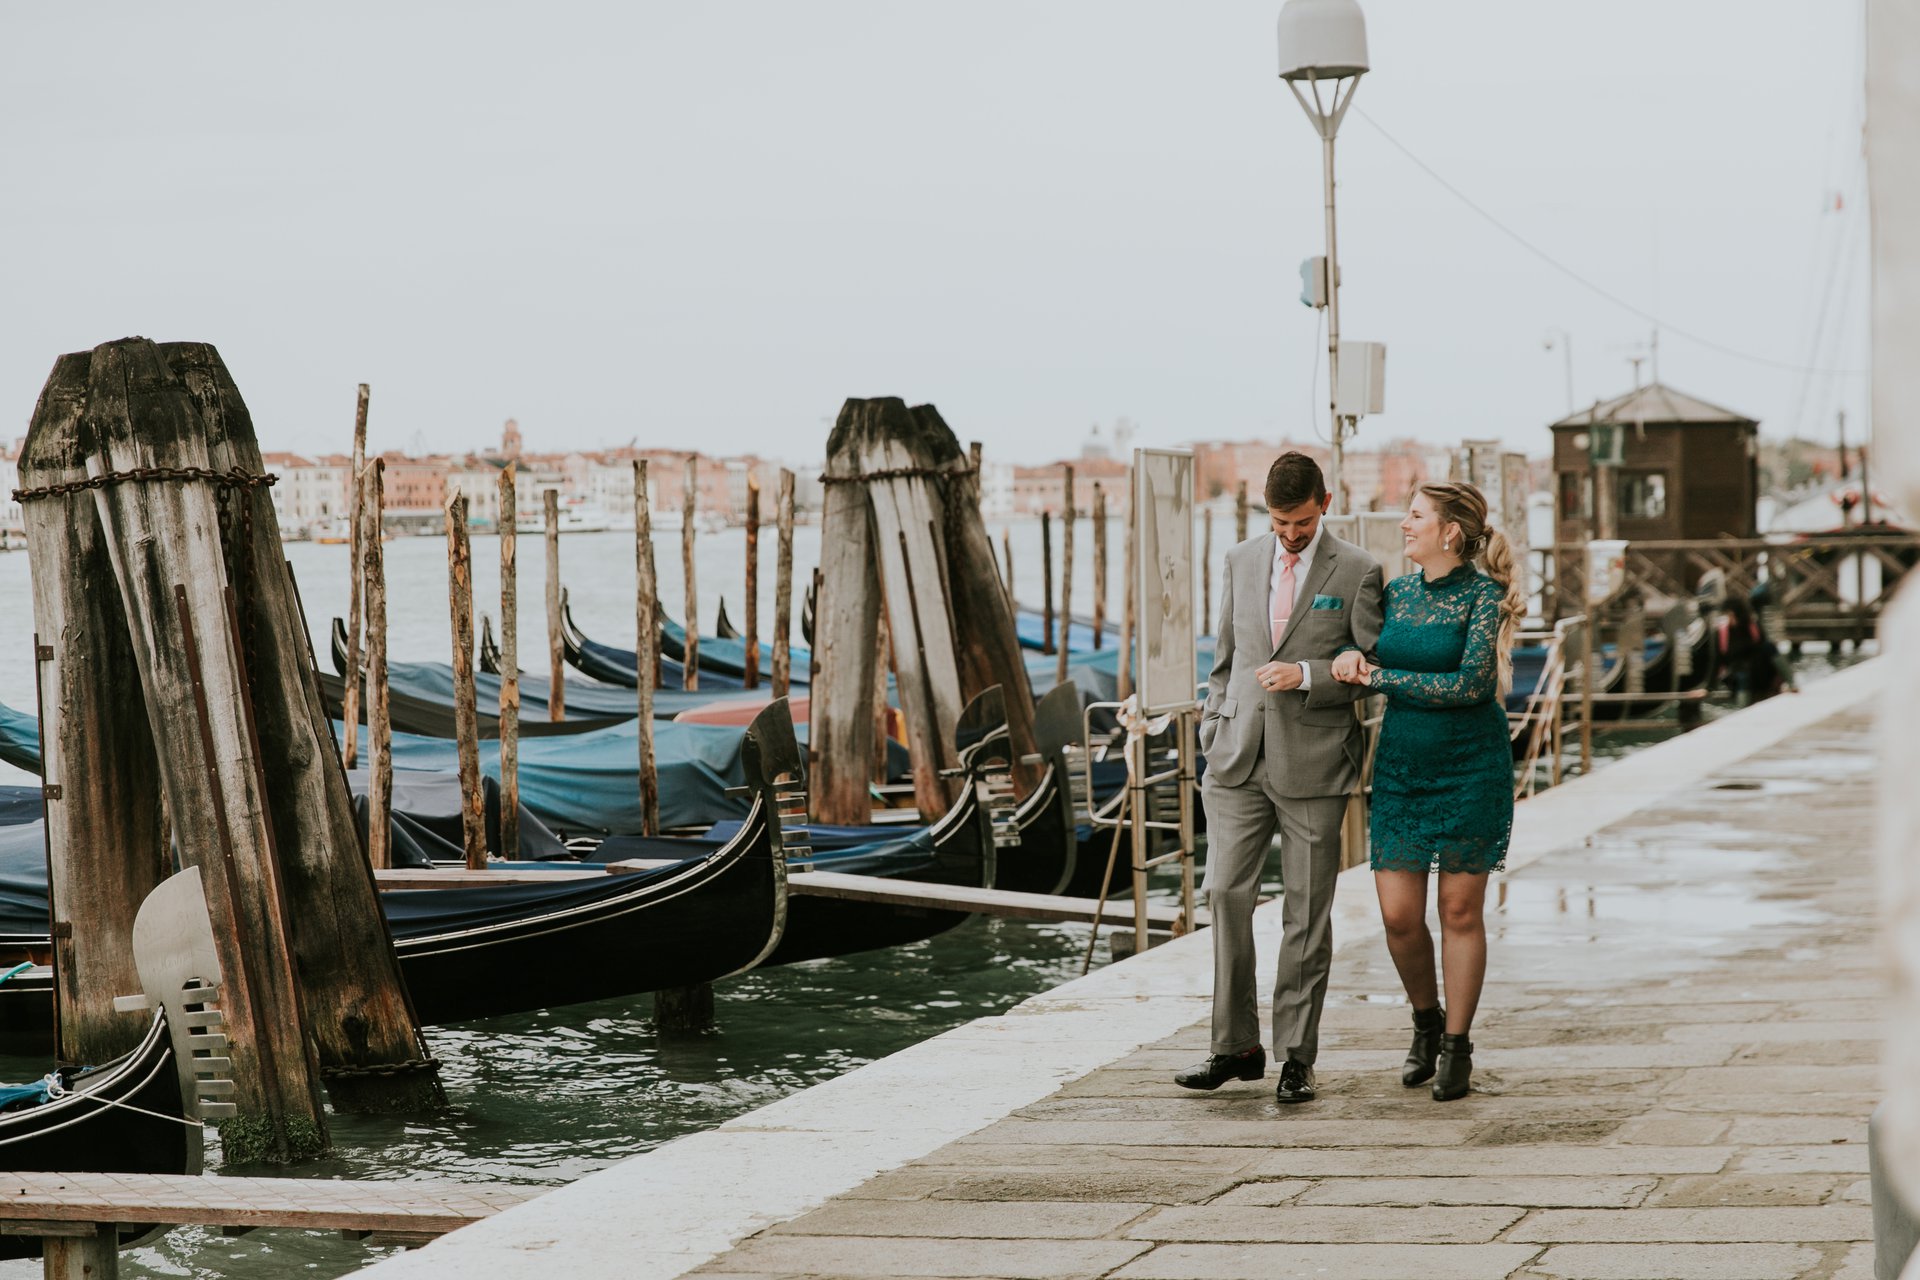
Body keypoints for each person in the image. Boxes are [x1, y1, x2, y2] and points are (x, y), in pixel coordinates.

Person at [1175, 453, 1384, 1103]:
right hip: (1236, 756)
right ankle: (1234, 1046)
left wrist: (1312, 676)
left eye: (1298, 521)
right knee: (1224, 897)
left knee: (1305, 915)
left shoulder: (1358, 570)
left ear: (1324, 502)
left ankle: (1296, 1056)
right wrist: (1214, 726)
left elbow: (1374, 665)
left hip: (1316, 762)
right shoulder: (1239, 561)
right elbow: (1226, 658)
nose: (1288, 534)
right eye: (1277, 522)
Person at [1332, 481, 1525, 1101]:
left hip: (1472, 768)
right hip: (1401, 771)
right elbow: (1366, 659)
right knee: (1397, 917)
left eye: (1414, 515)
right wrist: (1345, 663)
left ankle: (1457, 1048)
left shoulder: (1484, 596)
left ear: (1450, 532)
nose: (1403, 524)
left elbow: (1470, 685)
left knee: (1459, 912)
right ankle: (1425, 1019)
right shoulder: (1394, 592)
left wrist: (1383, 674)